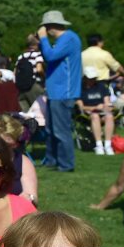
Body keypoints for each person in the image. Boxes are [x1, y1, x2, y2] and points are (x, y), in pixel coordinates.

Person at [37, 10, 82, 172]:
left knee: (61, 130)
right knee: (51, 129)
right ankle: (52, 159)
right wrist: (40, 42)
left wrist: (43, 38)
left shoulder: (69, 38)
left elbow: (50, 56)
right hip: (55, 91)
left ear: (50, 27)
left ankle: (66, 164)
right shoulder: (63, 40)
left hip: (64, 92)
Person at [0, 115, 38, 205]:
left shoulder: (23, 162)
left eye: (9, 145)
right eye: (0, 144)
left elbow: (34, 198)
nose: (4, 149)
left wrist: (29, 198)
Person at [78, 66, 116, 155]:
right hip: (87, 114)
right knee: (95, 116)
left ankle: (107, 144)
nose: (92, 80)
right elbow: (81, 107)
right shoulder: (80, 89)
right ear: (85, 78)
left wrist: (106, 106)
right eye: (90, 78)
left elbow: (107, 102)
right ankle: (99, 145)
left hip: (102, 111)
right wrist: (94, 108)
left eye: (94, 78)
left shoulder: (101, 87)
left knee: (109, 116)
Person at [15, 34, 46, 112]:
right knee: (39, 111)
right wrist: (45, 77)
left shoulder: (21, 56)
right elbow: (39, 69)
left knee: (26, 113)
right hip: (34, 85)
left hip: (21, 88)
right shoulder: (37, 55)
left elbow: (15, 72)